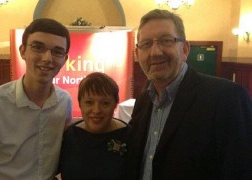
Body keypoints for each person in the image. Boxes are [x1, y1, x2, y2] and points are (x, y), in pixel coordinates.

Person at [125, 9, 252, 180]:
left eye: (166, 41)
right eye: (146, 44)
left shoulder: (226, 98)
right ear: (137, 54)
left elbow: (240, 170)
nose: (155, 52)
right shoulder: (143, 102)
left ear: (185, 49)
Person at [0, 18, 72, 179]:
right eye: (38, 47)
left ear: (65, 59)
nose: (47, 58)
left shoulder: (64, 101)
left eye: (57, 51)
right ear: (23, 51)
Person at [58, 72, 132, 180]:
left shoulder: (130, 136)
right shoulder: (70, 136)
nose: (96, 110)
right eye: (89, 102)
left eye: (105, 103)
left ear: (115, 104)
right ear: (80, 104)